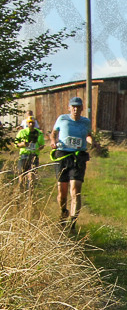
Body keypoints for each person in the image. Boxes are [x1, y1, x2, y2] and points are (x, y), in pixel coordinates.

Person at [50, 96, 93, 228]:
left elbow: (88, 135)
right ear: (69, 108)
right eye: (73, 107)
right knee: (62, 192)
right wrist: (53, 141)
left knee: (75, 189)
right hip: (63, 155)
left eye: (78, 107)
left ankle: (73, 222)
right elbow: (53, 133)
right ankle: (63, 212)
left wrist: (93, 143)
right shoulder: (62, 119)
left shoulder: (86, 122)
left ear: (81, 108)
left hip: (78, 156)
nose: (75, 109)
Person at [14, 115, 46, 191]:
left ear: (35, 124)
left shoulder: (39, 133)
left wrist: (40, 148)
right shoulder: (22, 132)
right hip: (23, 156)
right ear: (27, 123)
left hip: (34, 156)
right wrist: (22, 144)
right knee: (21, 176)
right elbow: (16, 144)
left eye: (32, 123)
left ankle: (30, 195)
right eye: (29, 123)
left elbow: (42, 144)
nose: (31, 124)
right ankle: (21, 193)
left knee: (31, 176)